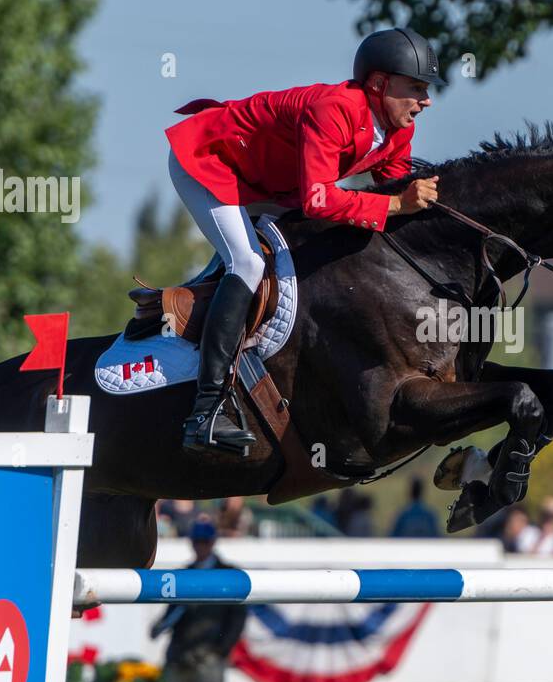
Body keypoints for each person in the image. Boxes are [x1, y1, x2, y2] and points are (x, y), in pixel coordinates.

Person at [164, 28, 446, 455]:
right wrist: (394, 206)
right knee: (248, 263)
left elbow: (395, 197)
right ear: (378, 84)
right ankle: (206, 411)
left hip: (270, 185)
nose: (425, 101)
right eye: (416, 89)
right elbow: (319, 201)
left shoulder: (395, 130)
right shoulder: (335, 109)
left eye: (426, 91)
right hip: (211, 160)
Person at [149, 525, 249, 682]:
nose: (200, 545)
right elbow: (172, 612)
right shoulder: (184, 573)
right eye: (197, 541)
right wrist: (159, 626)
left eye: (204, 541)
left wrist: (221, 650)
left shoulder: (229, 573)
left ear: (213, 542)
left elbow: (237, 619)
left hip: (209, 658)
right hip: (179, 655)